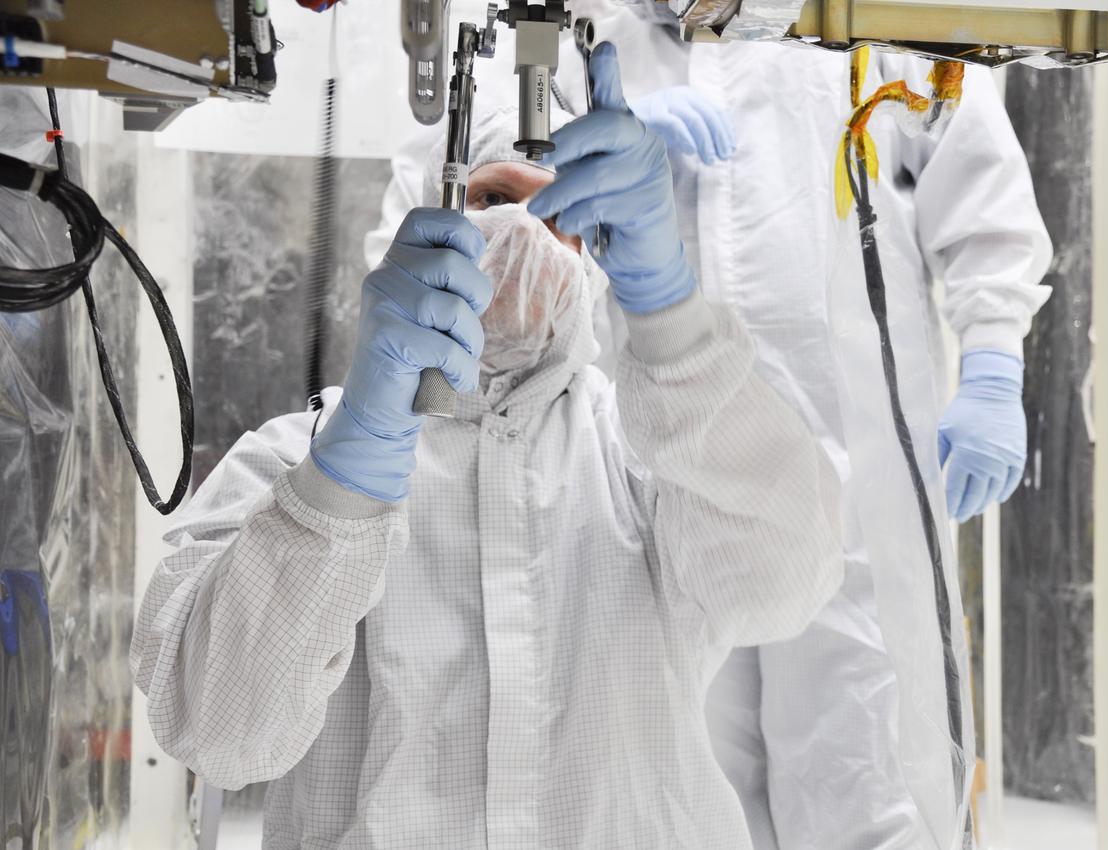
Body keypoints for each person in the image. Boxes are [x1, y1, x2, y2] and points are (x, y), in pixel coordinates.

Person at [369, 8, 1053, 848]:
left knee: (872, 765)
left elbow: (973, 164)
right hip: (652, 490)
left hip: (857, 463)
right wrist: (567, 150)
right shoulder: (570, 22)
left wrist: (993, 356)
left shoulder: (860, 23)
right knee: (679, 761)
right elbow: (445, 185)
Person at [130, 45, 843, 849]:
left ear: (598, 257)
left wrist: (671, 314)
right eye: (494, 196)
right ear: (420, 219)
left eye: (560, 216)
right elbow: (218, 731)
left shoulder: (648, 456)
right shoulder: (297, 463)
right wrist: (344, 483)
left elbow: (784, 580)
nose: (525, 234)